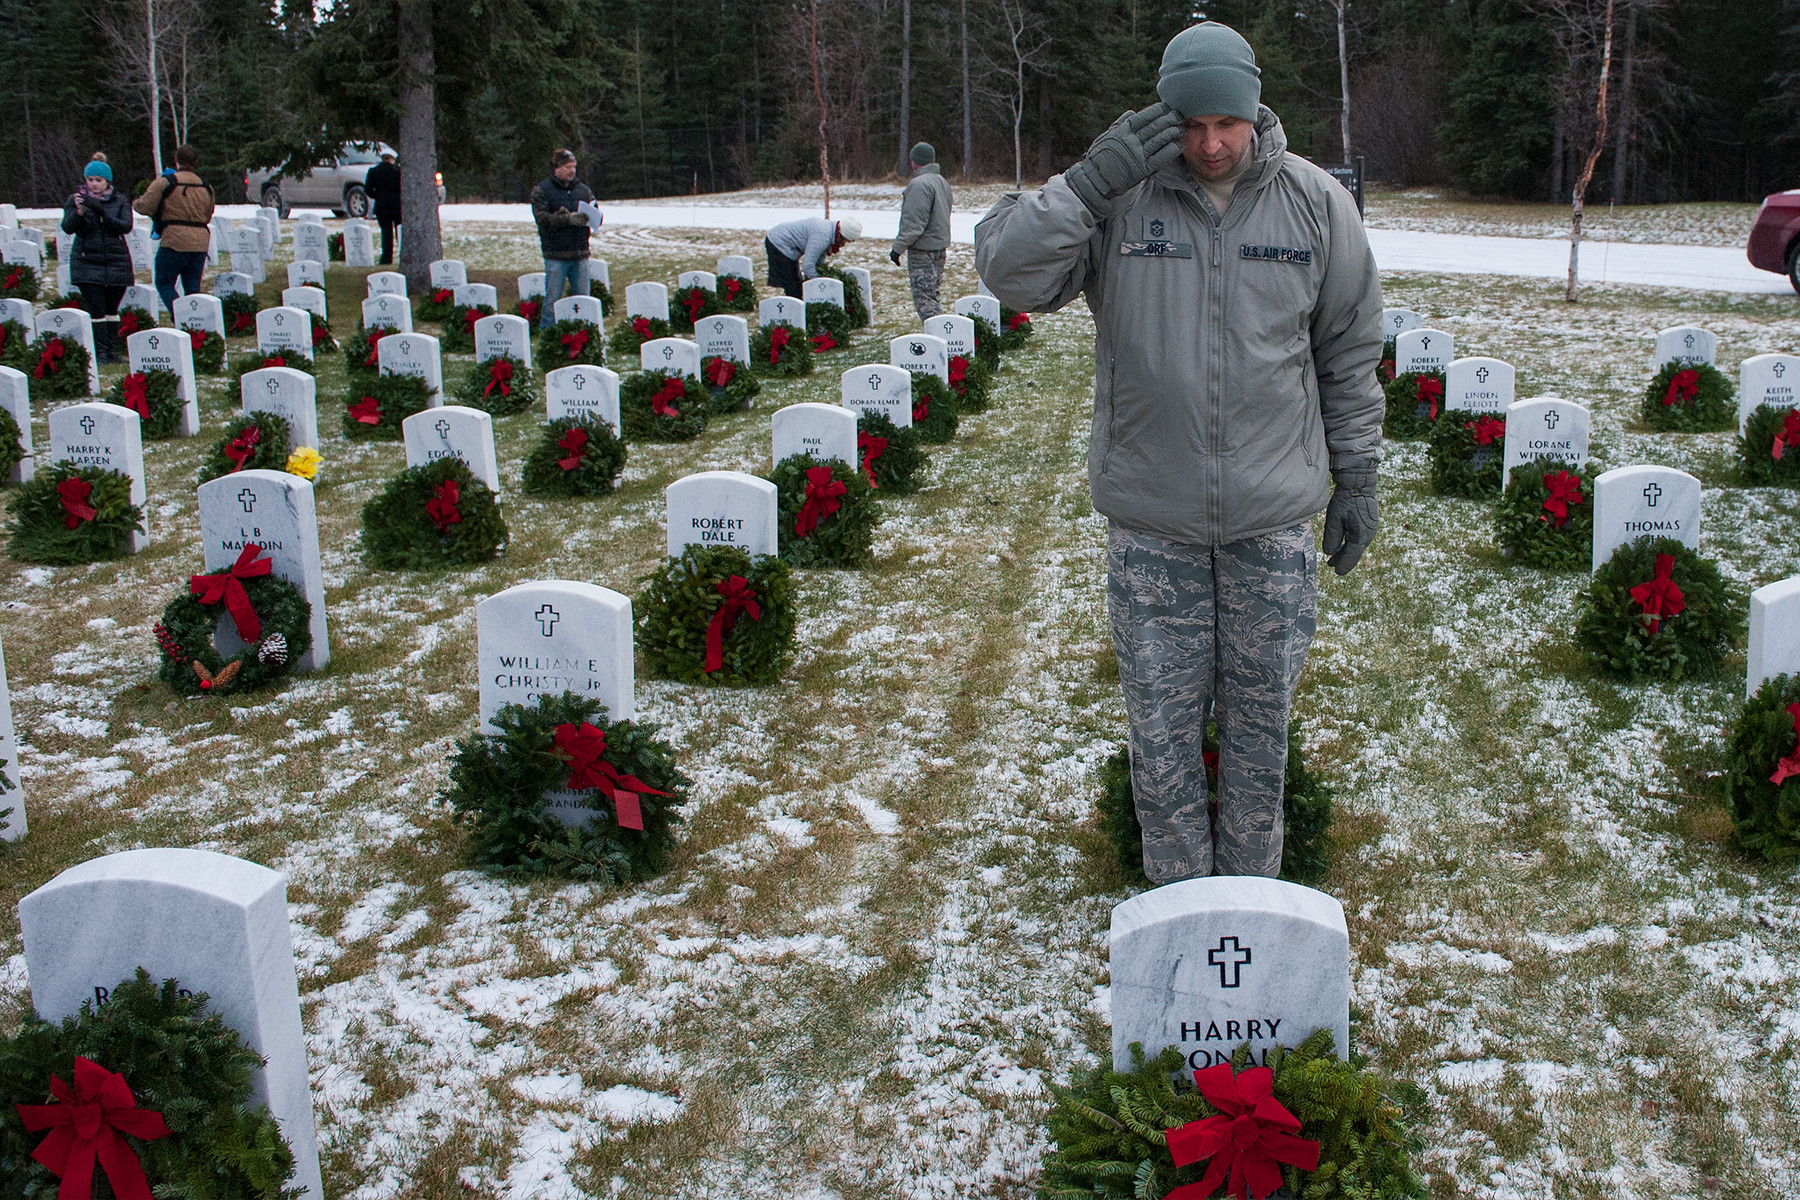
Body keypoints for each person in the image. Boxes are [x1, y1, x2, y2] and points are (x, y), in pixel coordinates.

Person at [974, 21, 1383, 883]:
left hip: (1270, 524)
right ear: (1167, 116)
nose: (1209, 144)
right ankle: (1178, 917)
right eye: (1192, 125)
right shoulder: (1122, 196)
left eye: (1225, 125)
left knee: (1260, 735)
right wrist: (1087, 184)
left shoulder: (1313, 203)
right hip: (1152, 525)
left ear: (1252, 111)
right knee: (1159, 739)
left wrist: (1357, 478)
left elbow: (1346, 349)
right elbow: (1011, 275)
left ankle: (1251, 910)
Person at [62, 158, 136, 363]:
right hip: (88, 261)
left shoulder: (119, 201)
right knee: (97, 309)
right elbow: (68, 227)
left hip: (116, 260)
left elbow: (124, 226)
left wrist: (102, 212)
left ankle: (113, 352)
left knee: (112, 309)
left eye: (99, 180)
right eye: (90, 179)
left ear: (107, 181)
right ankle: (100, 352)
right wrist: (80, 212)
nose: (94, 184)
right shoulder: (76, 200)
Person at [134, 144, 214, 312]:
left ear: (176, 160)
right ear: (196, 162)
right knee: (193, 289)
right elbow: (208, 214)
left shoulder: (166, 182)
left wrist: (136, 203)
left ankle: (180, 315)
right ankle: (195, 323)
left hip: (174, 241)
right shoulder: (206, 186)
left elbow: (145, 207)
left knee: (164, 282)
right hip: (200, 243)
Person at [530, 149, 597, 328]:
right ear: (556, 168)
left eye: (574, 167)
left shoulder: (583, 190)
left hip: (580, 252)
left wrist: (593, 215)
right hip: (556, 254)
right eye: (567, 167)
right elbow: (542, 218)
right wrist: (566, 219)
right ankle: (548, 334)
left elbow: (595, 209)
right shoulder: (542, 190)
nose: (571, 170)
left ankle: (584, 332)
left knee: (583, 300)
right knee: (552, 299)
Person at [889, 142, 953, 318]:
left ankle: (937, 337)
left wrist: (897, 249)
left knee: (925, 300)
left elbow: (914, 224)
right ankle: (943, 333)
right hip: (940, 248)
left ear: (914, 161)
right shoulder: (942, 182)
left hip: (923, 251)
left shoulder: (918, 185)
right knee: (933, 294)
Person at [764, 215, 861, 299]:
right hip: (779, 241)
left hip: (786, 242)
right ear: (842, 236)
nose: (844, 244)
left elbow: (819, 258)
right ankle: (793, 313)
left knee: (796, 283)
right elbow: (807, 266)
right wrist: (821, 283)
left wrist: (823, 273)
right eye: (846, 241)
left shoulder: (830, 231)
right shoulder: (823, 235)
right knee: (793, 285)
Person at [365, 150, 403, 264]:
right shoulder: (397, 172)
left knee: (386, 233)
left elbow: (368, 189)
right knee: (399, 232)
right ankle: (403, 256)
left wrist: (377, 196)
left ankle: (386, 258)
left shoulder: (374, 171)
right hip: (396, 206)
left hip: (382, 206)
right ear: (392, 159)